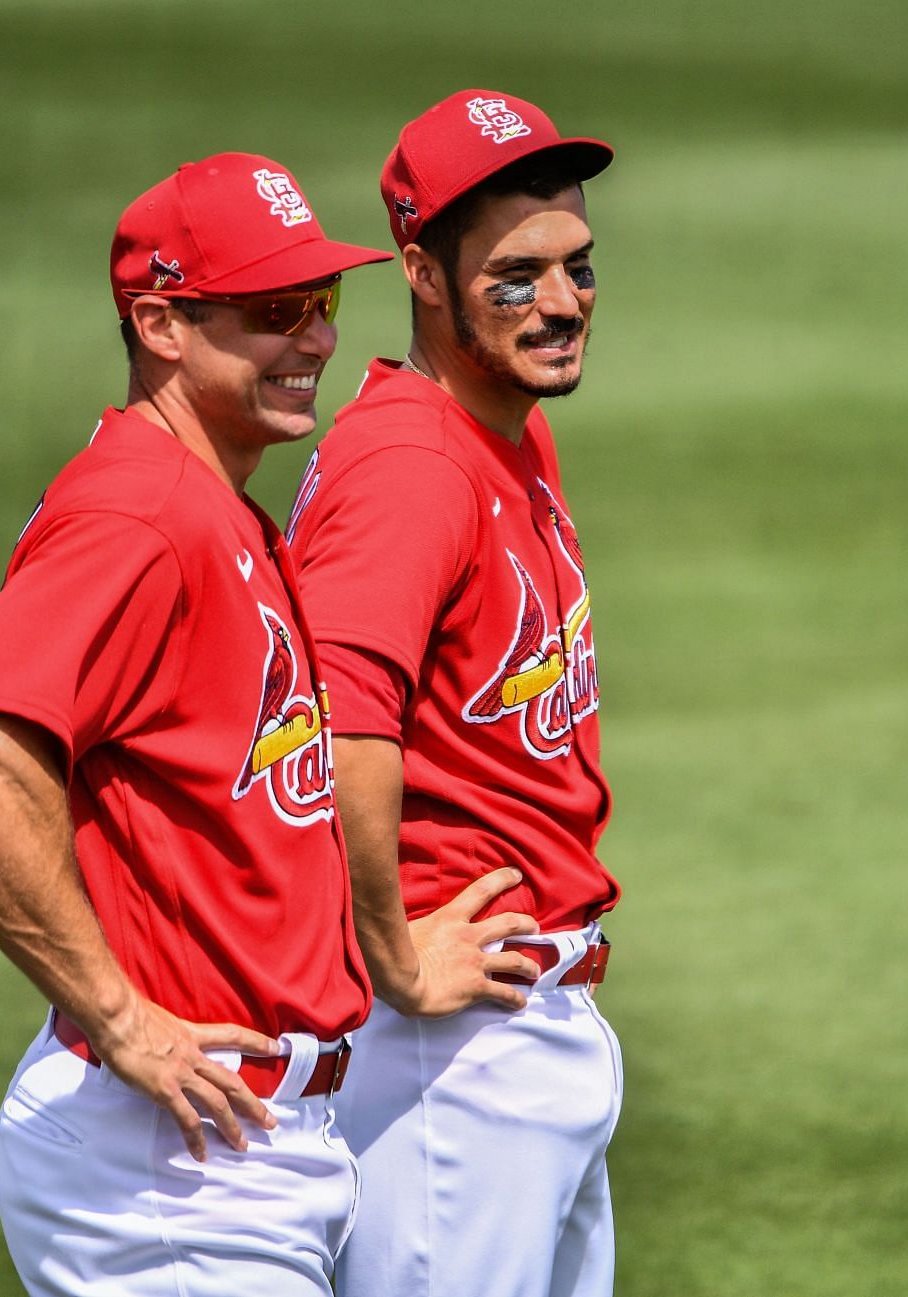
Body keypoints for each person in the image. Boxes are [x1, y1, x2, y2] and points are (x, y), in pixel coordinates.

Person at [0, 152, 392, 1297]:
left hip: (244, 1154)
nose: (316, 340)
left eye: (322, 305)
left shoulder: (210, 502)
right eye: (276, 313)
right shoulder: (140, 515)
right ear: (162, 323)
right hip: (173, 1172)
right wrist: (122, 1018)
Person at [284, 91, 623, 1297]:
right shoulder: (413, 466)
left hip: (521, 1032)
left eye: (579, 268)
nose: (565, 303)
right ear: (423, 273)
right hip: (451, 1052)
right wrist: (393, 953)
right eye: (518, 276)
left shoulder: (501, 431)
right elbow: (335, 715)